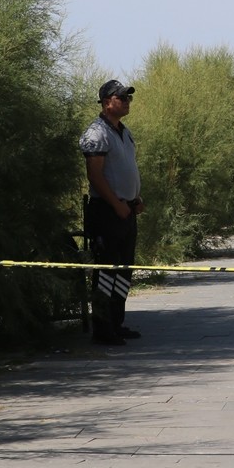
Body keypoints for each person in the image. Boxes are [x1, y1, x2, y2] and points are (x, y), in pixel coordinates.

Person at [80, 80, 145, 346]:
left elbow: (125, 168)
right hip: (107, 212)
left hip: (126, 211)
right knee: (107, 271)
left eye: (128, 97)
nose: (127, 101)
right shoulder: (97, 133)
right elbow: (95, 175)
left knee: (124, 269)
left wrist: (135, 198)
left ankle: (117, 323)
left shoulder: (123, 132)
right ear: (107, 102)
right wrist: (116, 203)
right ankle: (103, 329)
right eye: (122, 97)